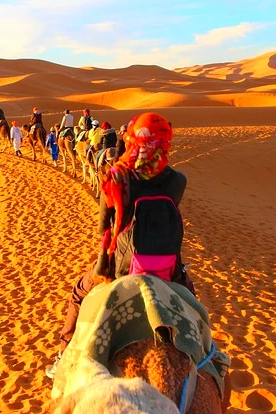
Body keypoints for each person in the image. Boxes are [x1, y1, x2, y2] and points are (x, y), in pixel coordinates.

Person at [45, 112, 193, 379]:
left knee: (79, 294)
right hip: (169, 269)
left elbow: (104, 228)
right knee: (193, 306)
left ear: (132, 138)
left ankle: (62, 357)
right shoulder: (178, 180)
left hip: (121, 266)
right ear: (165, 140)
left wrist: (104, 262)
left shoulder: (116, 176)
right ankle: (208, 358)